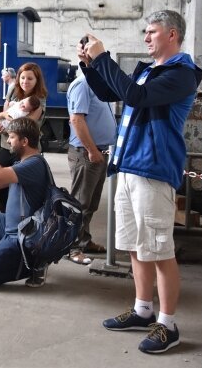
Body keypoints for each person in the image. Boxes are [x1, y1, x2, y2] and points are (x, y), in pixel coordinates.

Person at [81, 10, 202, 354]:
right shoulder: (150, 71)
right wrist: (90, 66)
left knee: (160, 250)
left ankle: (167, 324)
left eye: (152, 32)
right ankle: (142, 310)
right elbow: (111, 93)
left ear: (173, 35)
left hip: (153, 169)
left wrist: (103, 56)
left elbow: (135, 97)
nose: (146, 37)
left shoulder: (182, 74)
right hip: (129, 167)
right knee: (136, 246)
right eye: (146, 32)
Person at [0, 118, 50, 288]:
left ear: (24, 141)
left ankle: (30, 266)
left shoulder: (34, 164)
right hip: (10, 226)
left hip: (21, 236)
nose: (8, 141)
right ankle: (6, 259)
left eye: (12, 137)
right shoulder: (23, 163)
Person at [65, 50, 117, 265]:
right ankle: (72, 247)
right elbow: (77, 120)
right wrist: (92, 150)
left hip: (98, 152)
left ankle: (84, 241)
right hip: (87, 154)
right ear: (86, 61)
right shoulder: (83, 85)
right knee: (80, 203)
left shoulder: (98, 85)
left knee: (91, 203)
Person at [0, 62, 46, 212]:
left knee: (22, 191)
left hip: (26, 150)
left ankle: (22, 227)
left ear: (37, 81)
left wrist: (2, 116)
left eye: (30, 78)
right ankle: (6, 221)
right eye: (22, 77)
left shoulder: (38, 100)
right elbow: (4, 117)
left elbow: (26, 124)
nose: (25, 81)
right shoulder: (12, 91)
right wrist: (0, 123)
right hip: (7, 146)